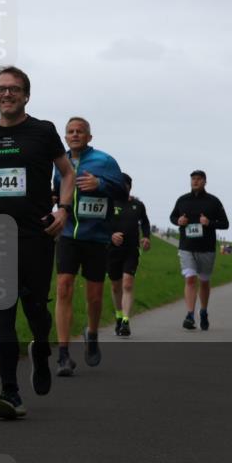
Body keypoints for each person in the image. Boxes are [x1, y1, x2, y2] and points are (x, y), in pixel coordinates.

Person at [0, 66, 74, 419]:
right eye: (1, 89)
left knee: (35, 309)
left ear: (26, 95)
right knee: (2, 314)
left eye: (14, 89)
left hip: (37, 235)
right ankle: (9, 393)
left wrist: (63, 209)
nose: (7, 94)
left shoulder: (42, 131)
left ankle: (41, 349)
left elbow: (67, 171)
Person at [51, 118, 123, 373]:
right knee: (63, 288)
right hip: (69, 234)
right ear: (65, 137)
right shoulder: (60, 162)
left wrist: (100, 184)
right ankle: (63, 353)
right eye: (70, 132)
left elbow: (123, 191)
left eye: (80, 131)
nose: (75, 135)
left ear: (89, 137)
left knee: (93, 296)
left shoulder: (104, 161)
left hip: (96, 237)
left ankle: (91, 334)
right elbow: (56, 191)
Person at [169, 170, 230, 331]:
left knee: (203, 281)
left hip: (206, 248)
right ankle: (190, 315)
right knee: (190, 279)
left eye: (198, 179)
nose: (195, 181)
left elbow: (225, 224)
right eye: (193, 179)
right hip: (186, 246)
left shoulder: (213, 201)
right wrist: (178, 221)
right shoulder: (182, 200)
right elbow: (172, 217)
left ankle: (203, 311)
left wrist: (209, 222)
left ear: (204, 181)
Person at [107, 173, 151, 337]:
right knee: (115, 285)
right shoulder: (109, 203)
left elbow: (145, 222)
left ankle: (126, 320)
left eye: (125, 185)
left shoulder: (138, 205)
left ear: (129, 187)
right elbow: (101, 223)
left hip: (131, 250)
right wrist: (111, 235)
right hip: (112, 250)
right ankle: (118, 316)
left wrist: (146, 236)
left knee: (127, 284)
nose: (122, 187)